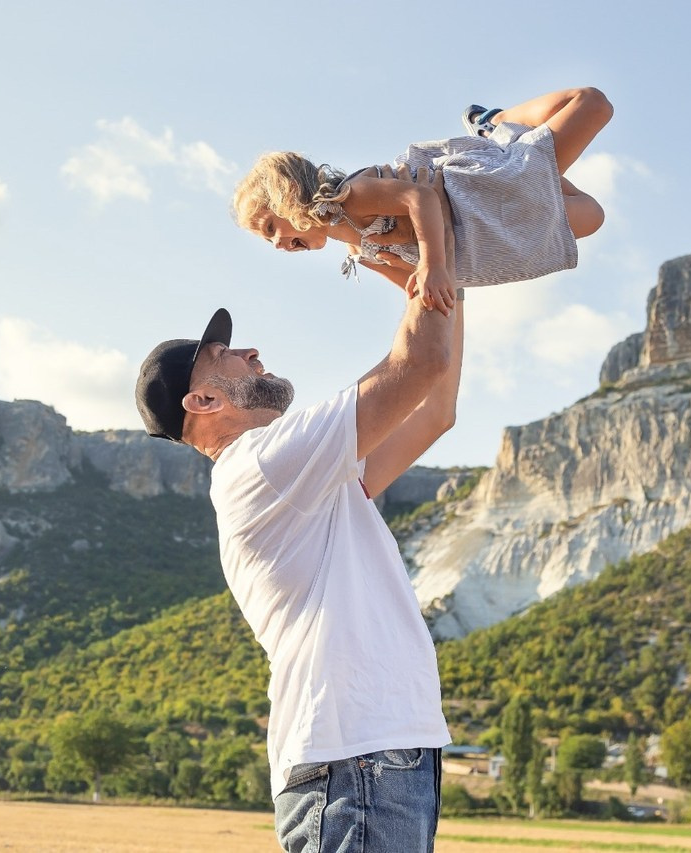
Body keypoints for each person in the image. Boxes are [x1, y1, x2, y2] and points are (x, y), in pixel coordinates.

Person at [137, 168, 462, 851]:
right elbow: (421, 362)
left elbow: (436, 410)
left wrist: (430, 274)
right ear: (203, 403)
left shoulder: (305, 480)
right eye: (225, 356)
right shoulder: (261, 464)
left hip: (377, 756)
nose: (252, 351)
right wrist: (427, 250)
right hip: (357, 761)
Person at [232, 86, 613, 314]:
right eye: (268, 242)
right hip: (492, 239)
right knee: (593, 216)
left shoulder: (350, 197)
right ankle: (515, 146)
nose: (277, 244)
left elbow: (420, 198)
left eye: (270, 228)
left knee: (592, 103)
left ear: (287, 197)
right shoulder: (362, 254)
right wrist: (427, 293)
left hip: (481, 193)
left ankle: (497, 126)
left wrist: (432, 263)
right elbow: (414, 289)